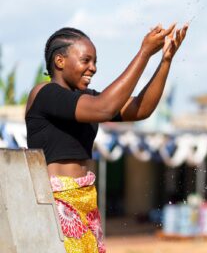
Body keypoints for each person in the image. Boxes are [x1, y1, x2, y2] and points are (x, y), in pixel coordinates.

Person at [25, 22, 188, 252]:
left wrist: (165, 61)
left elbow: (141, 110)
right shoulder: (44, 94)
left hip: (85, 201)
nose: (93, 68)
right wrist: (144, 53)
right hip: (55, 204)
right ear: (59, 61)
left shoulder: (87, 99)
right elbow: (104, 108)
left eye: (95, 62)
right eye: (86, 60)